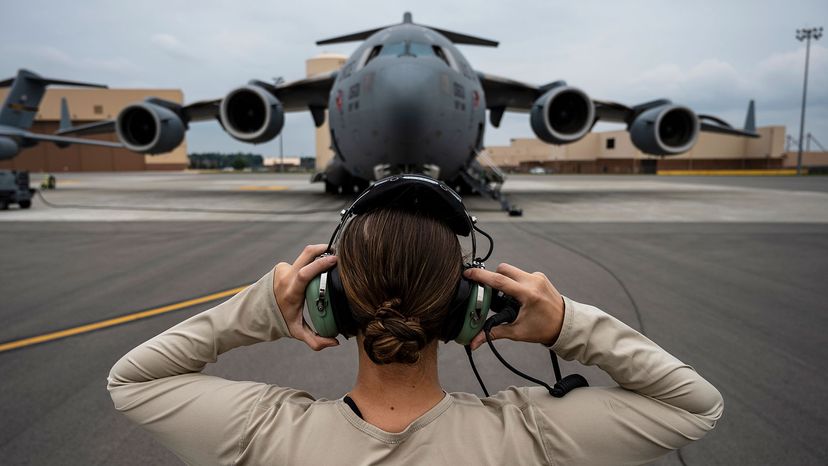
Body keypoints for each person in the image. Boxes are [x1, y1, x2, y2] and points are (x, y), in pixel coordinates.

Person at [108, 180, 723, 465]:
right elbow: (694, 407)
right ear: (467, 307)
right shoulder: (529, 440)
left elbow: (133, 382)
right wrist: (566, 323)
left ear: (331, 300)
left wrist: (264, 305)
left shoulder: (265, 438)